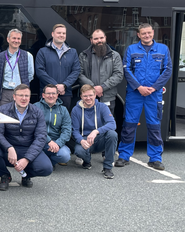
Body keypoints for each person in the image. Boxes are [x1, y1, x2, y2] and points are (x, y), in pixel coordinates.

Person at [115, 23, 172, 170]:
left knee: (154, 125)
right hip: (135, 93)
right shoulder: (131, 49)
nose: (147, 35)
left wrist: (153, 88)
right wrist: (139, 87)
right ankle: (124, 155)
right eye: (143, 33)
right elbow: (127, 70)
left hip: (154, 94)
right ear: (138, 35)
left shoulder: (163, 49)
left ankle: (155, 158)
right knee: (129, 124)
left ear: (153, 32)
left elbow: (167, 70)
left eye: (149, 33)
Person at [0, 84, 52, 191]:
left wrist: (27, 159)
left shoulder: (37, 112)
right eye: (20, 95)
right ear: (14, 97)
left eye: (26, 96)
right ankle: (5, 176)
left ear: (30, 97)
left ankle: (26, 175)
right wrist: (9, 147)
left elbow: (41, 137)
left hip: (28, 148)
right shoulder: (3, 109)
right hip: (9, 148)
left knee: (46, 168)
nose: (23, 98)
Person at [71, 85, 117, 179]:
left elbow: (112, 124)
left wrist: (96, 131)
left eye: (90, 95)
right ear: (81, 96)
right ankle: (87, 161)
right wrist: (81, 140)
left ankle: (107, 167)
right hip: (85, 139)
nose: (88, 98)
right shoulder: (76, 110)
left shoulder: (102, 107)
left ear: (95, 95)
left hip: (99, 138)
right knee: (79, 150)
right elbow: (74, 130)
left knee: (112, 134)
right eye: (85, 96)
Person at [35, 24, 81, 111]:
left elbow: (76, 71)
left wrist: (64, 85)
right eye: (59, 33)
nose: (61, 35)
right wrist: (55, 86)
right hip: (48, 93)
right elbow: (40, 71)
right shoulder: (42, 52)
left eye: (64, 33)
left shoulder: (73, 52)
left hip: (65, 93)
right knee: (46, 120)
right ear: (52, 34)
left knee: (63, 120)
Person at [78, 29, 123, 115]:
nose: (99, 41)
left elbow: (118, 75)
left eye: (101, 38)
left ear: (105, 38)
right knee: (88, 124)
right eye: (96, 39)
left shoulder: (115, 55)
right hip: (88, 97)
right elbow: (79, 74)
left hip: (107, 97)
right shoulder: (83, 55)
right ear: (91, 40)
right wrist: (93, 88)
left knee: (107, 124)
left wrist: (102, 87)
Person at [0, 29, 34, 107]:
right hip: (4, 93)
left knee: (20, 117)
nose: (16, 41)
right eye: (14, 38)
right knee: (3, 116)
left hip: (21, 93)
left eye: (18, 39)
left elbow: (30, 75)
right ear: (8, 39)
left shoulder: (28, 56)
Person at [34, 84, 72, 168]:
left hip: (56, 142)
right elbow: (34, 127)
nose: (51, 96)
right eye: (48, 93)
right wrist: (48, 141)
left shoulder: (63, 110)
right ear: (43, 95)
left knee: (65, 156)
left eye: (53, 93)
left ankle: (50, 162)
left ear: (57, 95)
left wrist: (58, 144)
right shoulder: (35, 107)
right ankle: (45, 162)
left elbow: (67, 130)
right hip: (38, 141)